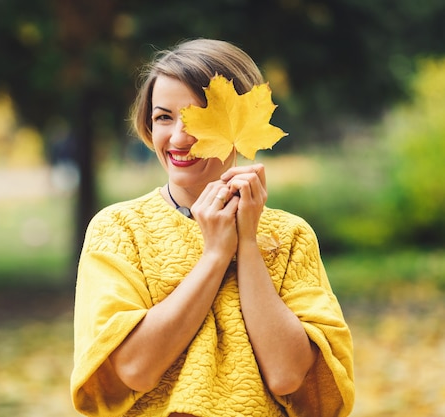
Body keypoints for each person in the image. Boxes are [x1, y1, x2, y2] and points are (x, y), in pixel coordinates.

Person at [71, 38, 354, 417]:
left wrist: (248, 243)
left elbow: (288, 376)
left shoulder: (290, 236)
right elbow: (134, 369)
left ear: (240, 124)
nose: (178, 137)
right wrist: (217, 255)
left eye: (197, 117)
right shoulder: (119, 229)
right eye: (163, 117)